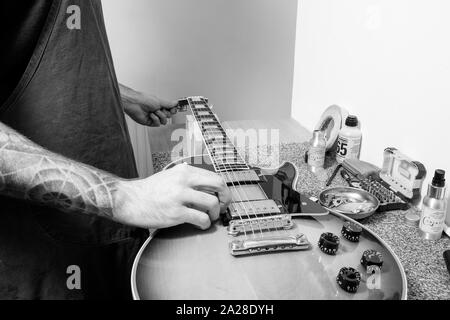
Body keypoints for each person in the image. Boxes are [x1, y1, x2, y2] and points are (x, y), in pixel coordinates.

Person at [0, 1, 231, 299]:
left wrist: (118, 94)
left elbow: (28, 55)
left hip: (111, 232)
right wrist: (124, 196)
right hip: (46, 257)